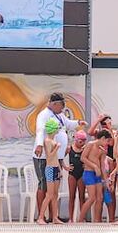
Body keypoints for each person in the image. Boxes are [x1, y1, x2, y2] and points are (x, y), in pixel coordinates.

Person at [31, 93, 69, 221]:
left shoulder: (58, 115)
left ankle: (54, 216)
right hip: (45, 162)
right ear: (55, 104)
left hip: (55, 164)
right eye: (61, 106)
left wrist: (62, 166)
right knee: (45, 188)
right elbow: (40, 131)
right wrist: (39, 145)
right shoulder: (44, 115)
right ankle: (41, 216)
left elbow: (68, 124)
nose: (62, 110)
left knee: (54, 192)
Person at [79, 129, 111, 223]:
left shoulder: (102, 151)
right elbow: (83, 158)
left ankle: (97, 220)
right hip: (89, 173)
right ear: (102, 138)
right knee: (92, 197)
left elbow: (102, 167)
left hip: (98, 175)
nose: (107, 143)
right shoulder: (90, 145)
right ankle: (80, 220)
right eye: (107, 141)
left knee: (100, 198)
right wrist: (94, 166)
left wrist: (106, 181)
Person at [37, 118, 64, 224]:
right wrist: (57, 148)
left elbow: (55, 158)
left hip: (55, 168)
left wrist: (60, 169)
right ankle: (40, 217)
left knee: (55, 194)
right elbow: (49, 157)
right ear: (53, 129)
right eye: (57, 127)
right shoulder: (48, 141)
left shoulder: (54, 141)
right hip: (50, 169)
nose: (58, 129)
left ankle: (55, 217)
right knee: (49, 194)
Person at [66, 130, 88, 222]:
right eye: (80, 141)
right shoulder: (69, 148)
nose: (82, 143)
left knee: (82, 196)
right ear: (76, 140)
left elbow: (90, 159)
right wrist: (65, 167)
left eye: (84, 141)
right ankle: (71, 218)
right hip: (72, 174)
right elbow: (59, 159)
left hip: (82, 174)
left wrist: (87, 165)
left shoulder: (85, 149)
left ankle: (82, 218)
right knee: (72, 196)